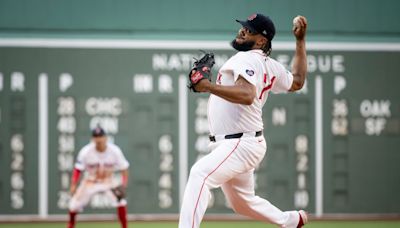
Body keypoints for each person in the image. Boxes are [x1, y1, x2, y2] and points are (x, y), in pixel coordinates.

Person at [179, 13, 308, 228]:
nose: (242, 30)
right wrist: (301, 41)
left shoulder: (246, 59)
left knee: (199, 174)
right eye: (243, 27)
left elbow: (247, 95)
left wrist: (207, 86)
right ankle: (291, 220)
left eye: (249, 29)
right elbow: (298, 80)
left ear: (261, 41)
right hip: (244, 141)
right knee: (242, 203)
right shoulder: (269, 65)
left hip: (240, 143)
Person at [67, 127, 130, 228]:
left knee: (121, 202)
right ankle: (70, 225)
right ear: (92, 139)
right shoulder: (86, 151)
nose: (98, 139)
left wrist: (124, 184)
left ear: (105, 138)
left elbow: (124, 168)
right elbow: (78, 169)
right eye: (96, 137)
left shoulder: (115, 151)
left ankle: (124, 227)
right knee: (73, 205)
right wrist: (73, 185)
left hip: (108, 181)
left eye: (100, 136)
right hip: (90, 181)